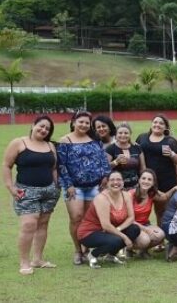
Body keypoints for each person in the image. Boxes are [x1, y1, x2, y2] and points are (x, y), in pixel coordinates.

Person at [3, 116, 60, 275]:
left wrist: (56, 186)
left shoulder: (50, 145)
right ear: (33, 125)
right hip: (26, 191)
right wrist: (10, 187)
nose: (43, 130)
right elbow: (7, 166)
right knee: (28, 225)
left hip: (49, 191)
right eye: (41, 126)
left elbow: (54, 168)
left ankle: (37, 259)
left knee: (43, 224)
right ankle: (24, 262)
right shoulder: (18, 143)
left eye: (47, 129)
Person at [57, 111, 111, 266]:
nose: (84, 125)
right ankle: (77, 250)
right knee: (76, 217)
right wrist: (68, 185)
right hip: (75, 188)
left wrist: (105, 176)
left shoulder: (94, 140)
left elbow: (102, 160)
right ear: (74, 122)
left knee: (89, 220)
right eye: (81, 122)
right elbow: (61, 166)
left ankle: (86, 249)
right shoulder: (65, 141)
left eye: (87, 123)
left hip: (94, 186)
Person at [77, 171, 140, 268]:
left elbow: (131, 217)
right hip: (89, 232)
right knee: (117, 240)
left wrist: (118, 229)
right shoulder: (101, 198)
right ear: (107, 183)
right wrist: (124, 237)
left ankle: (111, 255)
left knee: (134, 229)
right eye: (112, 180)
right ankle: (93, 255)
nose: (116, 182)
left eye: (118, 179)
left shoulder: (126, 195)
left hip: (108, 230)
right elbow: (105, 225)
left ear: (123, 183)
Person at [135, 114, 177, 224]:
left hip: (165, 181)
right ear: (151, 124)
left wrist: (172, 154)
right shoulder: (142, 138)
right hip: (145, 181)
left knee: (161, 211)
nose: (157, 125)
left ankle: (162, 238)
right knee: (140, 210)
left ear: (166, 127)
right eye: (155, 122)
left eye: (161, 123)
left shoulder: (170, 141)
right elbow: (135, 152)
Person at [129, 169, 177, 258]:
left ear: (153, 183)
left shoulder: (151, 193)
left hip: (145, 224)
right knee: (145, 240)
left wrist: (174, 188)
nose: (146, 181)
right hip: (131, 226)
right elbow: (129, 219)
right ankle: (128, 248)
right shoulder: (130, 194)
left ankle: (143, 251)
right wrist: (146, 230)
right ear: (139, 180)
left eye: (149, 179)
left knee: (161, 235)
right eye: (143, 178)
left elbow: (164, 197)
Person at [106, 122, 144, 190]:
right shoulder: (110, 148)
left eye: (126, 133)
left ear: (130, 134)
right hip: (117, 187)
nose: (123, 135)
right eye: (120, 133)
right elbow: (105, 168)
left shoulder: (137, 147)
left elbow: (142, 168)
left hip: (135, 186)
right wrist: (116, 162)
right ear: (116, 135)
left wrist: (142, 183)